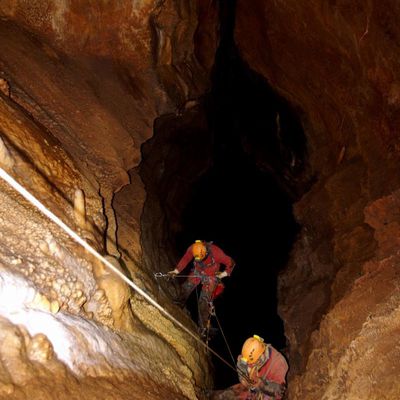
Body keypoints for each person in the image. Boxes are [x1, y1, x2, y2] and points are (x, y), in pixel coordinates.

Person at [168, 240, 235, 334]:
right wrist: (176, 271)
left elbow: (231, 262)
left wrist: (222, 274)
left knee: (204, 300)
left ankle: (204, 327)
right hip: (198, 270)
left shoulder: (216, 252)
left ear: (206, 252)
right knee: (187, 286)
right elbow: (186, 258)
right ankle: (180, 301)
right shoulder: (193, 248)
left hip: (211, 275)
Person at [212, 335, 288, 400]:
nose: (249, 365)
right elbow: (241, 365)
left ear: (260, 357)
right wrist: (243, 378)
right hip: (252, 389)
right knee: (226, 395)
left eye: (251, 363)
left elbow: (279, 391)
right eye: (246, 362)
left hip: (268, 394)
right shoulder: (249, 355)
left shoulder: (278, 363)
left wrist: (260, 384)